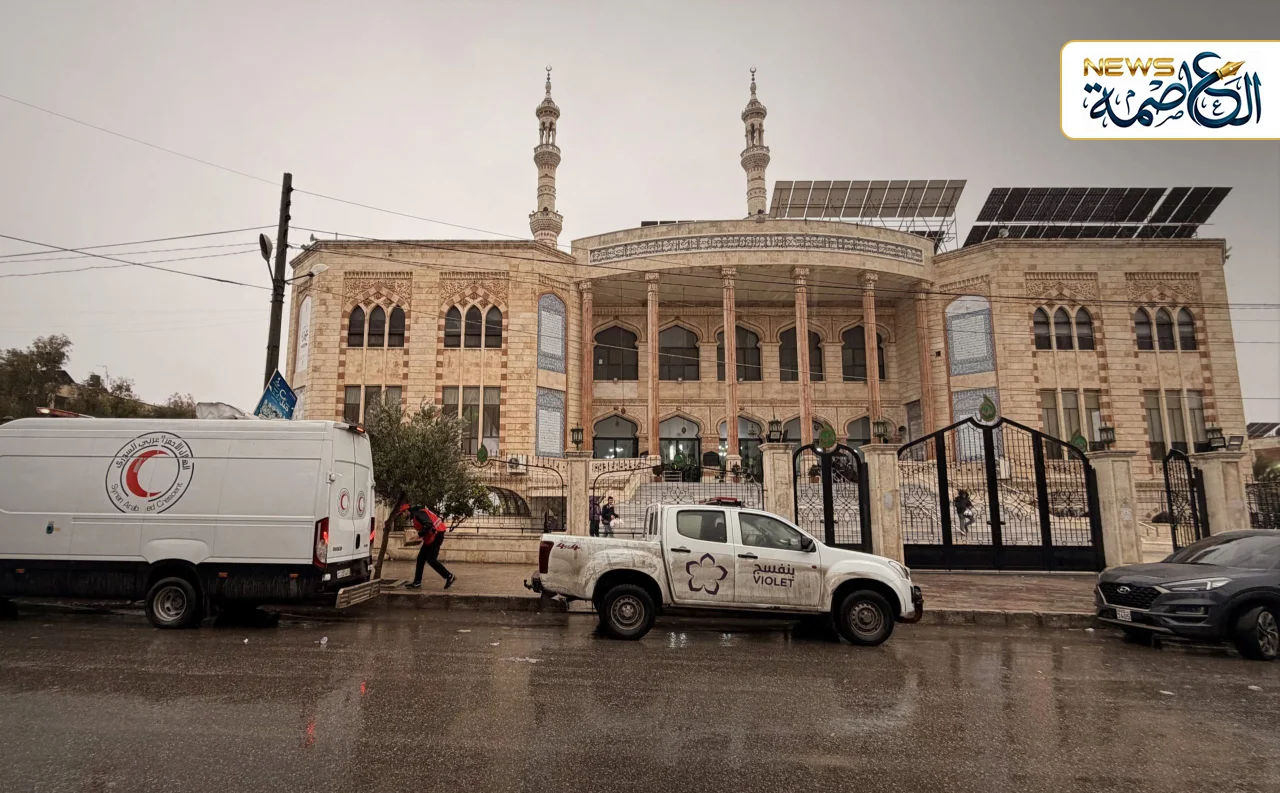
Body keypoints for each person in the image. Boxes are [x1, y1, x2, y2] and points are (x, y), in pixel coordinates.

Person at [399, 503, 456, 590]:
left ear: (406, 511)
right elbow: (426, 527)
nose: (402, 516)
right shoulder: (417, 515)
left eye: (402, 514)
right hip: (433, 536)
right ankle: (417, 582)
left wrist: (418, 534)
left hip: (436, 535)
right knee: (421, 558)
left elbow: (428, 525)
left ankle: (449, 576)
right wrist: (418, 537)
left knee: (431, 559)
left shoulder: (418, 514)